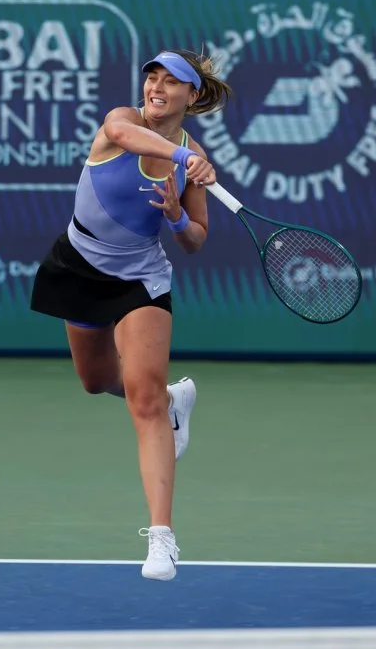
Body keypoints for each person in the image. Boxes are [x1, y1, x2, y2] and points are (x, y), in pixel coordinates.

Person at [29, 49, 233, 581]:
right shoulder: (122, 120)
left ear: (191, 95)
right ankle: (172, 403)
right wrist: (185, 159)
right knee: (96, 380)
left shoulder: (193, 159)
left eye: (171, 82)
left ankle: (163, 538)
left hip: (141, 278)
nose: (156, 88)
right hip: (78, 265)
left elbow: (196, 239)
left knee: (143, 400)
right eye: (152, 78)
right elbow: (123, 135)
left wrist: (177, 217)